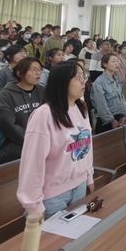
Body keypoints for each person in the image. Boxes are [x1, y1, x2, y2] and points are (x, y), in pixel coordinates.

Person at [16, 61, 94, 219]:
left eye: (84, 76)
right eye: (78, 77)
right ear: (62, 81)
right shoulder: (44, 115)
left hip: (79, 186)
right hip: (54, 196)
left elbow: (87, 147)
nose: (83, 82)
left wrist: (89, 176)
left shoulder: (81, 108)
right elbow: (33, 162)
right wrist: (33, 205)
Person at [0, 58, 45, 164]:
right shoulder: (5, 95)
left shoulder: (42, 91)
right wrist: (33, 140)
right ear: (19, 73)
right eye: (33, 69)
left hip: (41, 147)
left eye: (39, 70)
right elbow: (8, 125)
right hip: (15, 152)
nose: (37, 73)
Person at [92, 53, 126, 133]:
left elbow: (122, 99)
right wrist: (111, 120)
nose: (116, 64)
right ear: (105, 64)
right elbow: (101, 105)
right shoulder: (99, 83)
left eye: (117, 61)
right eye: (113, 61)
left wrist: (124, 115)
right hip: (105, 122)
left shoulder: (117, 80)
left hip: (120, 118)